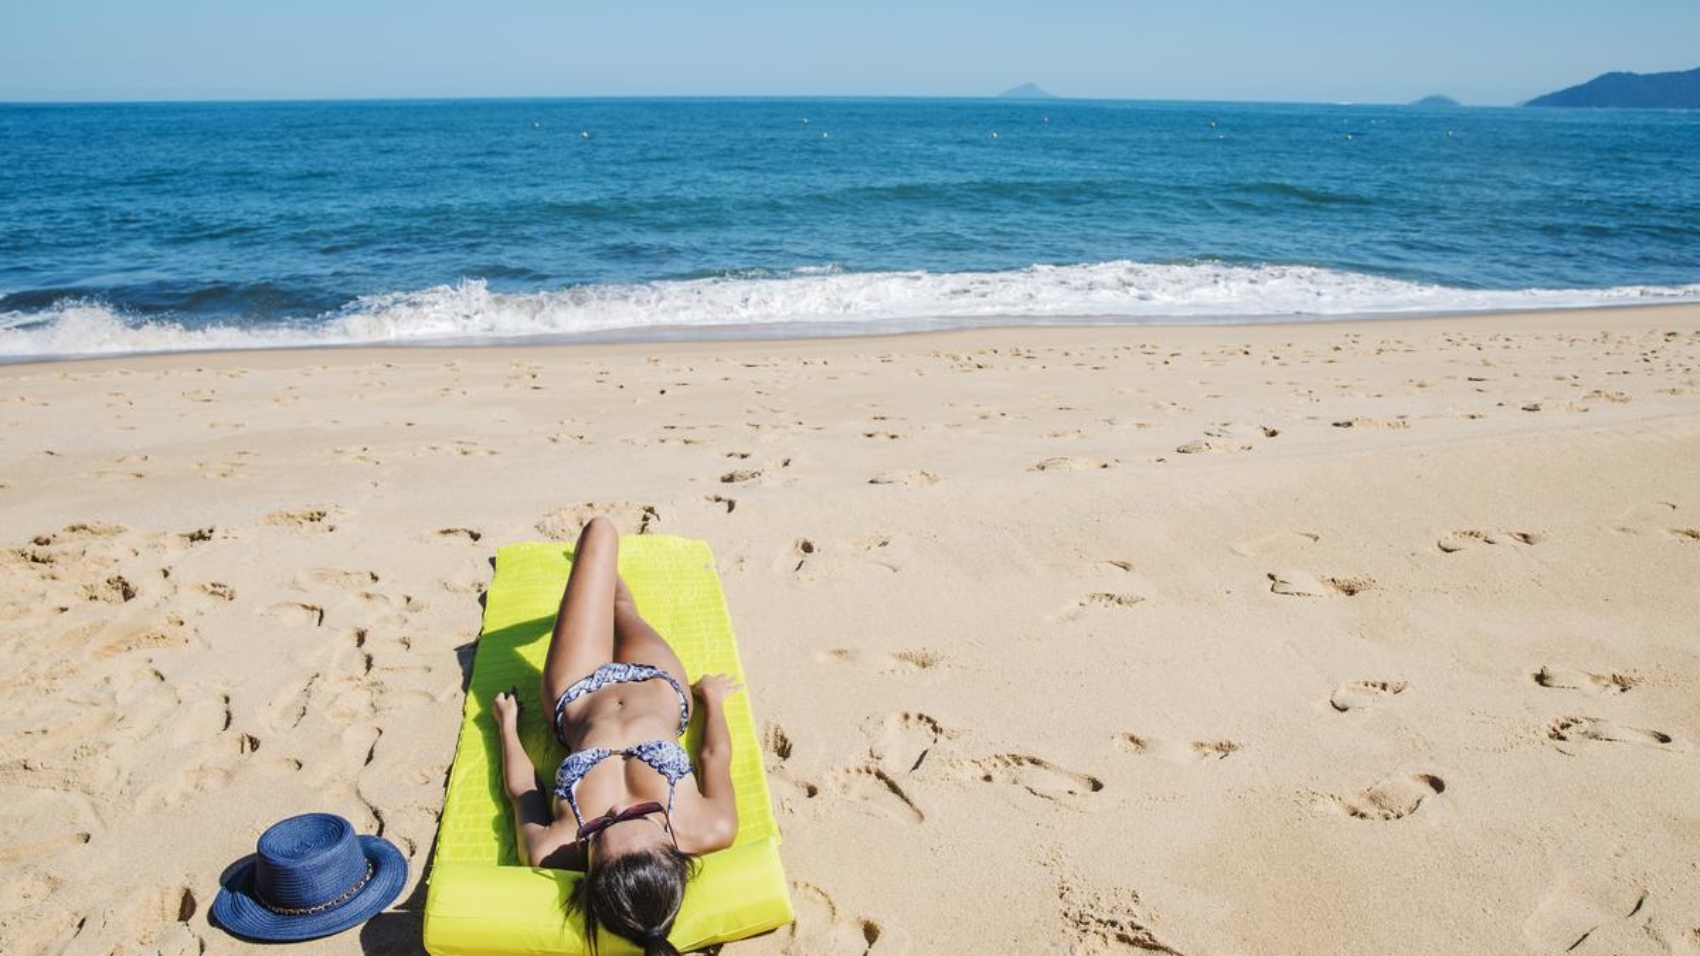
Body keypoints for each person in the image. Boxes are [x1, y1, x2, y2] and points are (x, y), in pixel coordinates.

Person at [492, 517, 741, 956]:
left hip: (578, 689)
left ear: (588, 869)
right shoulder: (712, 827)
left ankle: (593, 582)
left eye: (602, 825)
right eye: (641, 815)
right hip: (658, 682)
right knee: (624, 611)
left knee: (600, 531)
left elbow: (523, 792)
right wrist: (713, 700)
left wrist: (506, 726)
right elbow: (713, 756)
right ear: (675, 853)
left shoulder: (551, 851)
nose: (619, 806)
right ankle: (608, 589)